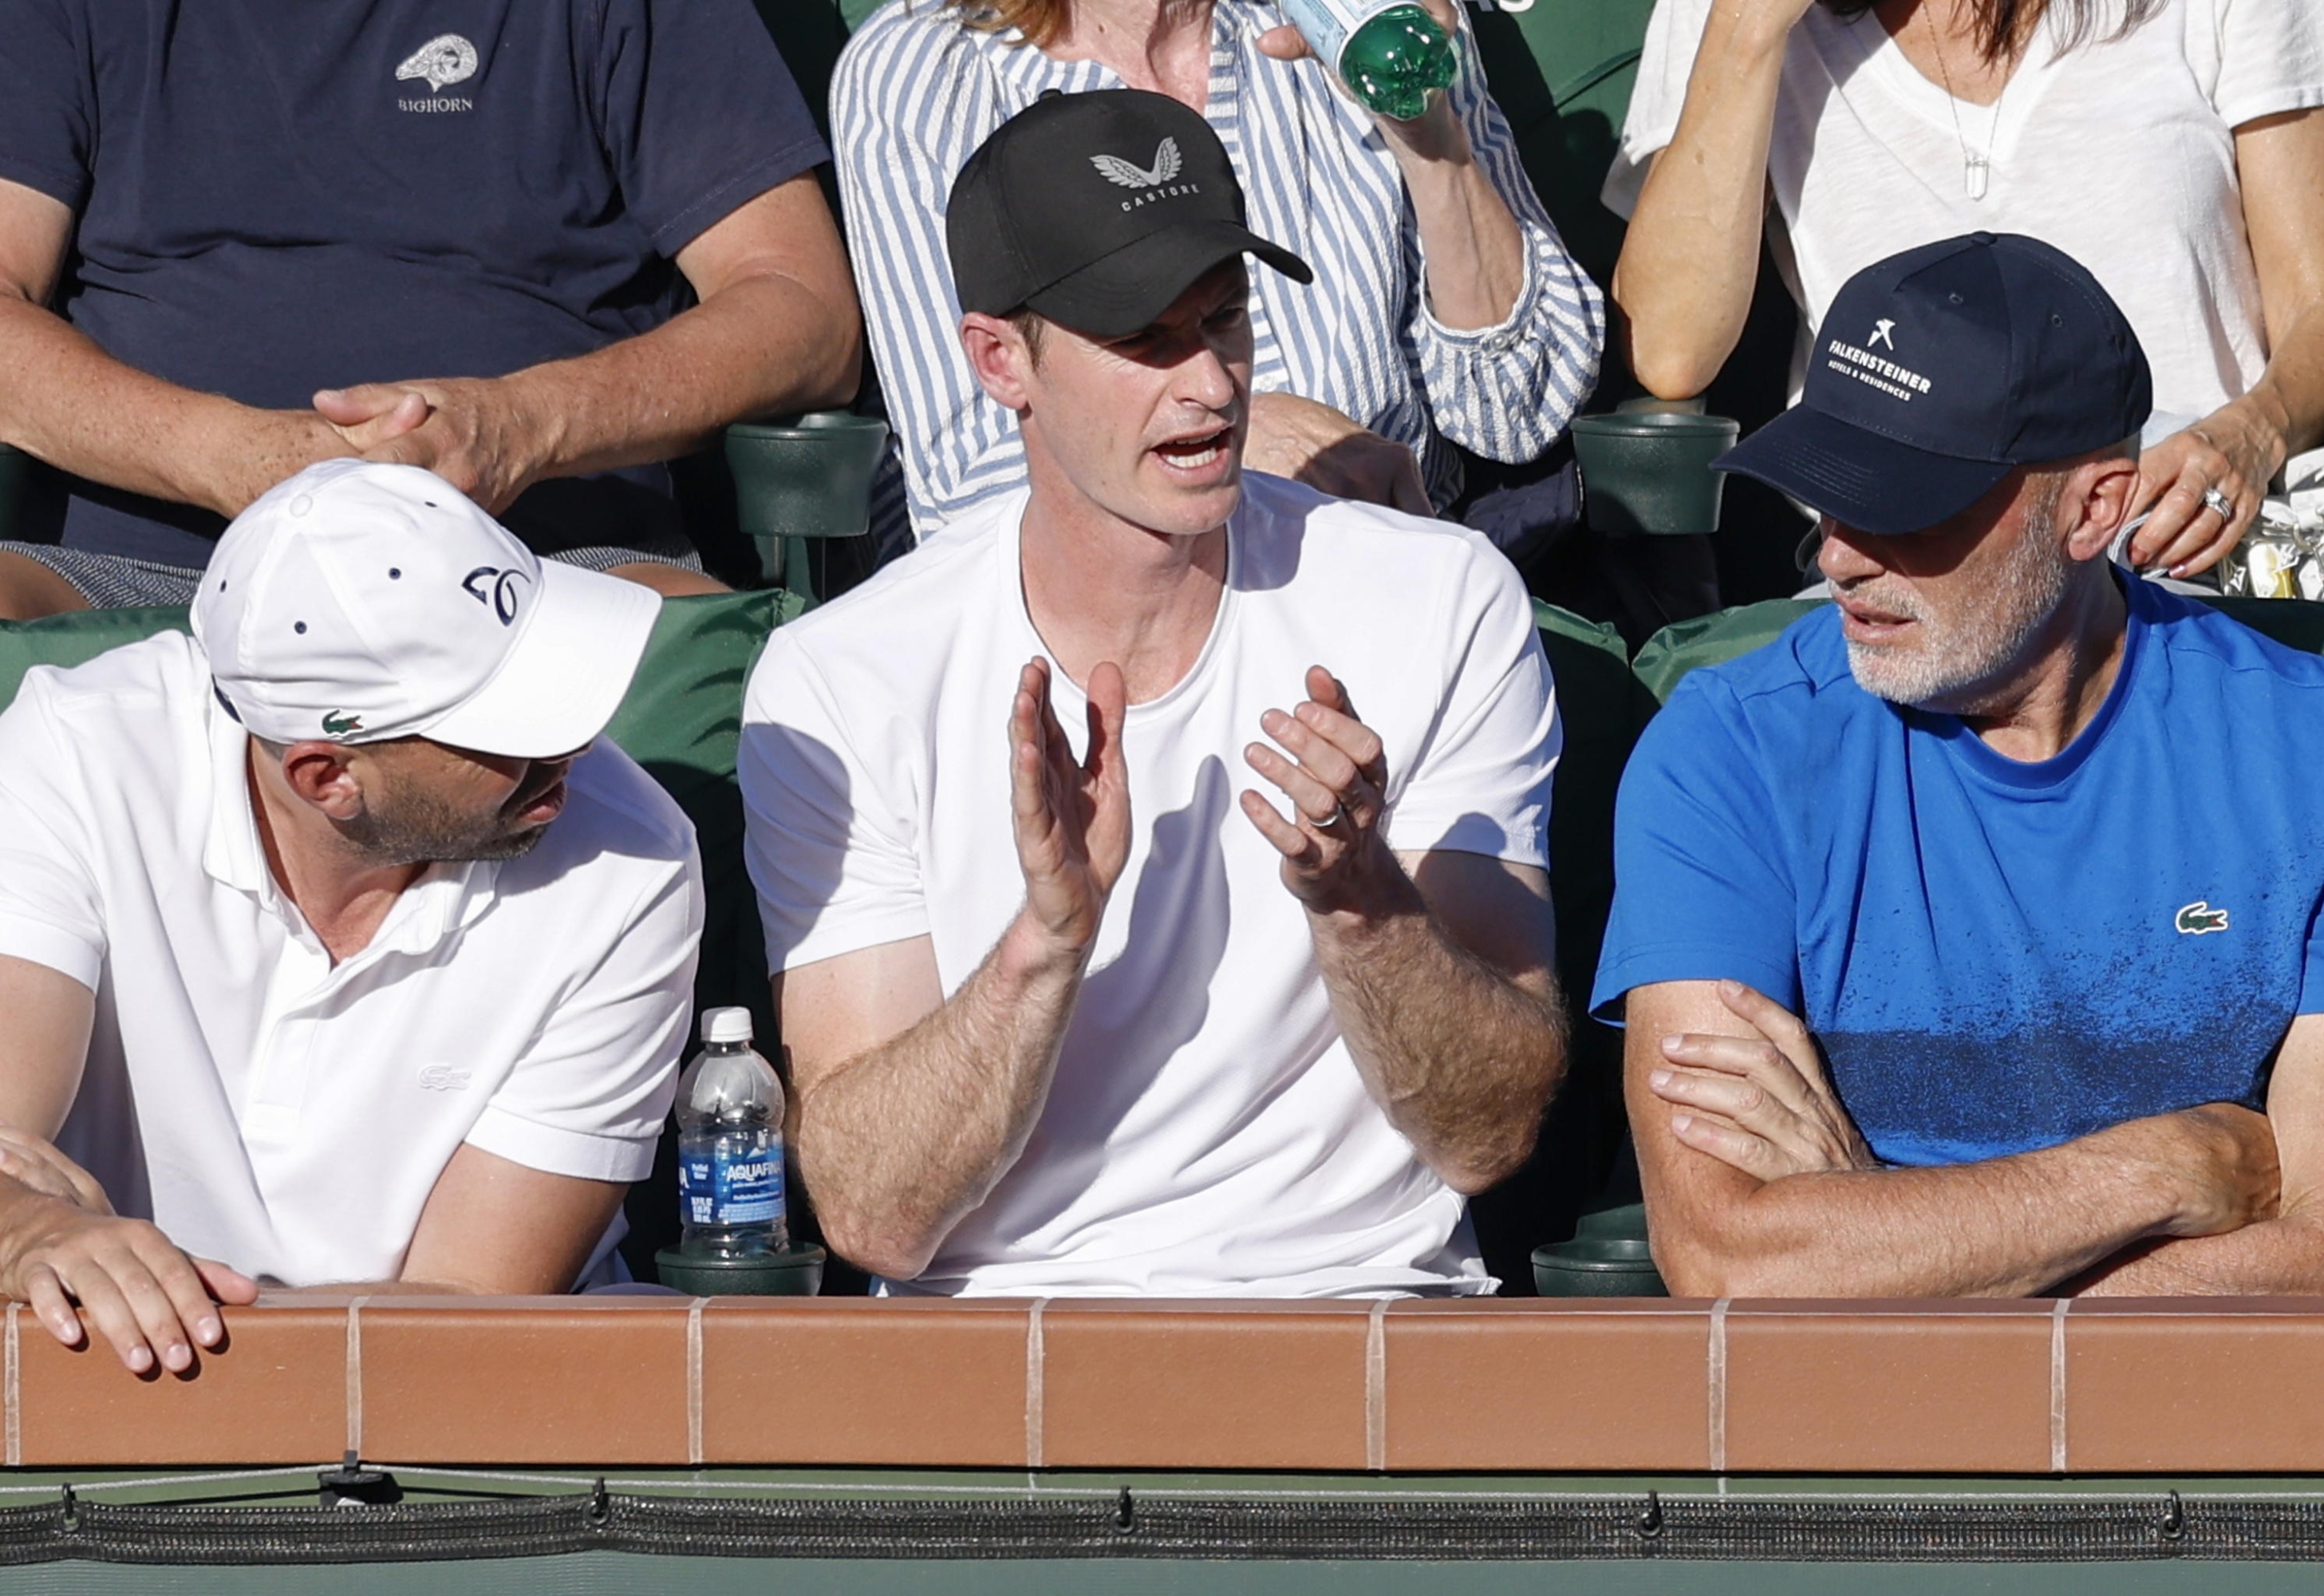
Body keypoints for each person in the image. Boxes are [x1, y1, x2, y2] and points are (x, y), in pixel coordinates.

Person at [740, 92, 1568, 1295]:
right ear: (998, 361)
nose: (1212, 384)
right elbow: (876, 1214)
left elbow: (1488, 1136)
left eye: (1224, 318)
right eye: (1143, 339)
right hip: (996, 1349)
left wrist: (1360, 901)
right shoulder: (846, 675)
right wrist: (1047, 939)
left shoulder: (1442, 602)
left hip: (1358, 1317)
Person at [1596, 234, 2324, 1298]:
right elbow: (1724, 1253)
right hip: (1840, 1444)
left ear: (2094, 509)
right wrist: (2161, 1168)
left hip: (2195, 1445)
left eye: (1903, 504)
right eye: (1823, 493)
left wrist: (1876, 1238)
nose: (1838, 554)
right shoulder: (1729, 750)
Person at [0, 460, 703, 1376]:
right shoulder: (73, 750)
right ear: (326, 776)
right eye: (511, 725)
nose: (572, 743)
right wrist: (29, 1229)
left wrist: (92, 1273)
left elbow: (467, 1307)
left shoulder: (637, 856)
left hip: (446, 1412)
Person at [0, 0, 864, 616]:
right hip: (148, 573)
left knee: (704, 663)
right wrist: (224, 454)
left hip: (541, 568)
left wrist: (518, 426)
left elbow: (801, 307)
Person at [1605, 0, 2324, 582]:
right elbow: (1672, 351)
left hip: (2168, 540)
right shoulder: (1726, 13)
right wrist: (1745, 31)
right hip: (1897, 556)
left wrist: (2248, 437)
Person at [830, 0, 1602, 548]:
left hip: (1390, 577)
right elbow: (963, 495)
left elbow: (1524, 405)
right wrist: (1242, 433)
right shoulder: (921, 76)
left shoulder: (1352, 19)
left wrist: (1430, 137)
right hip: (1115, 648)